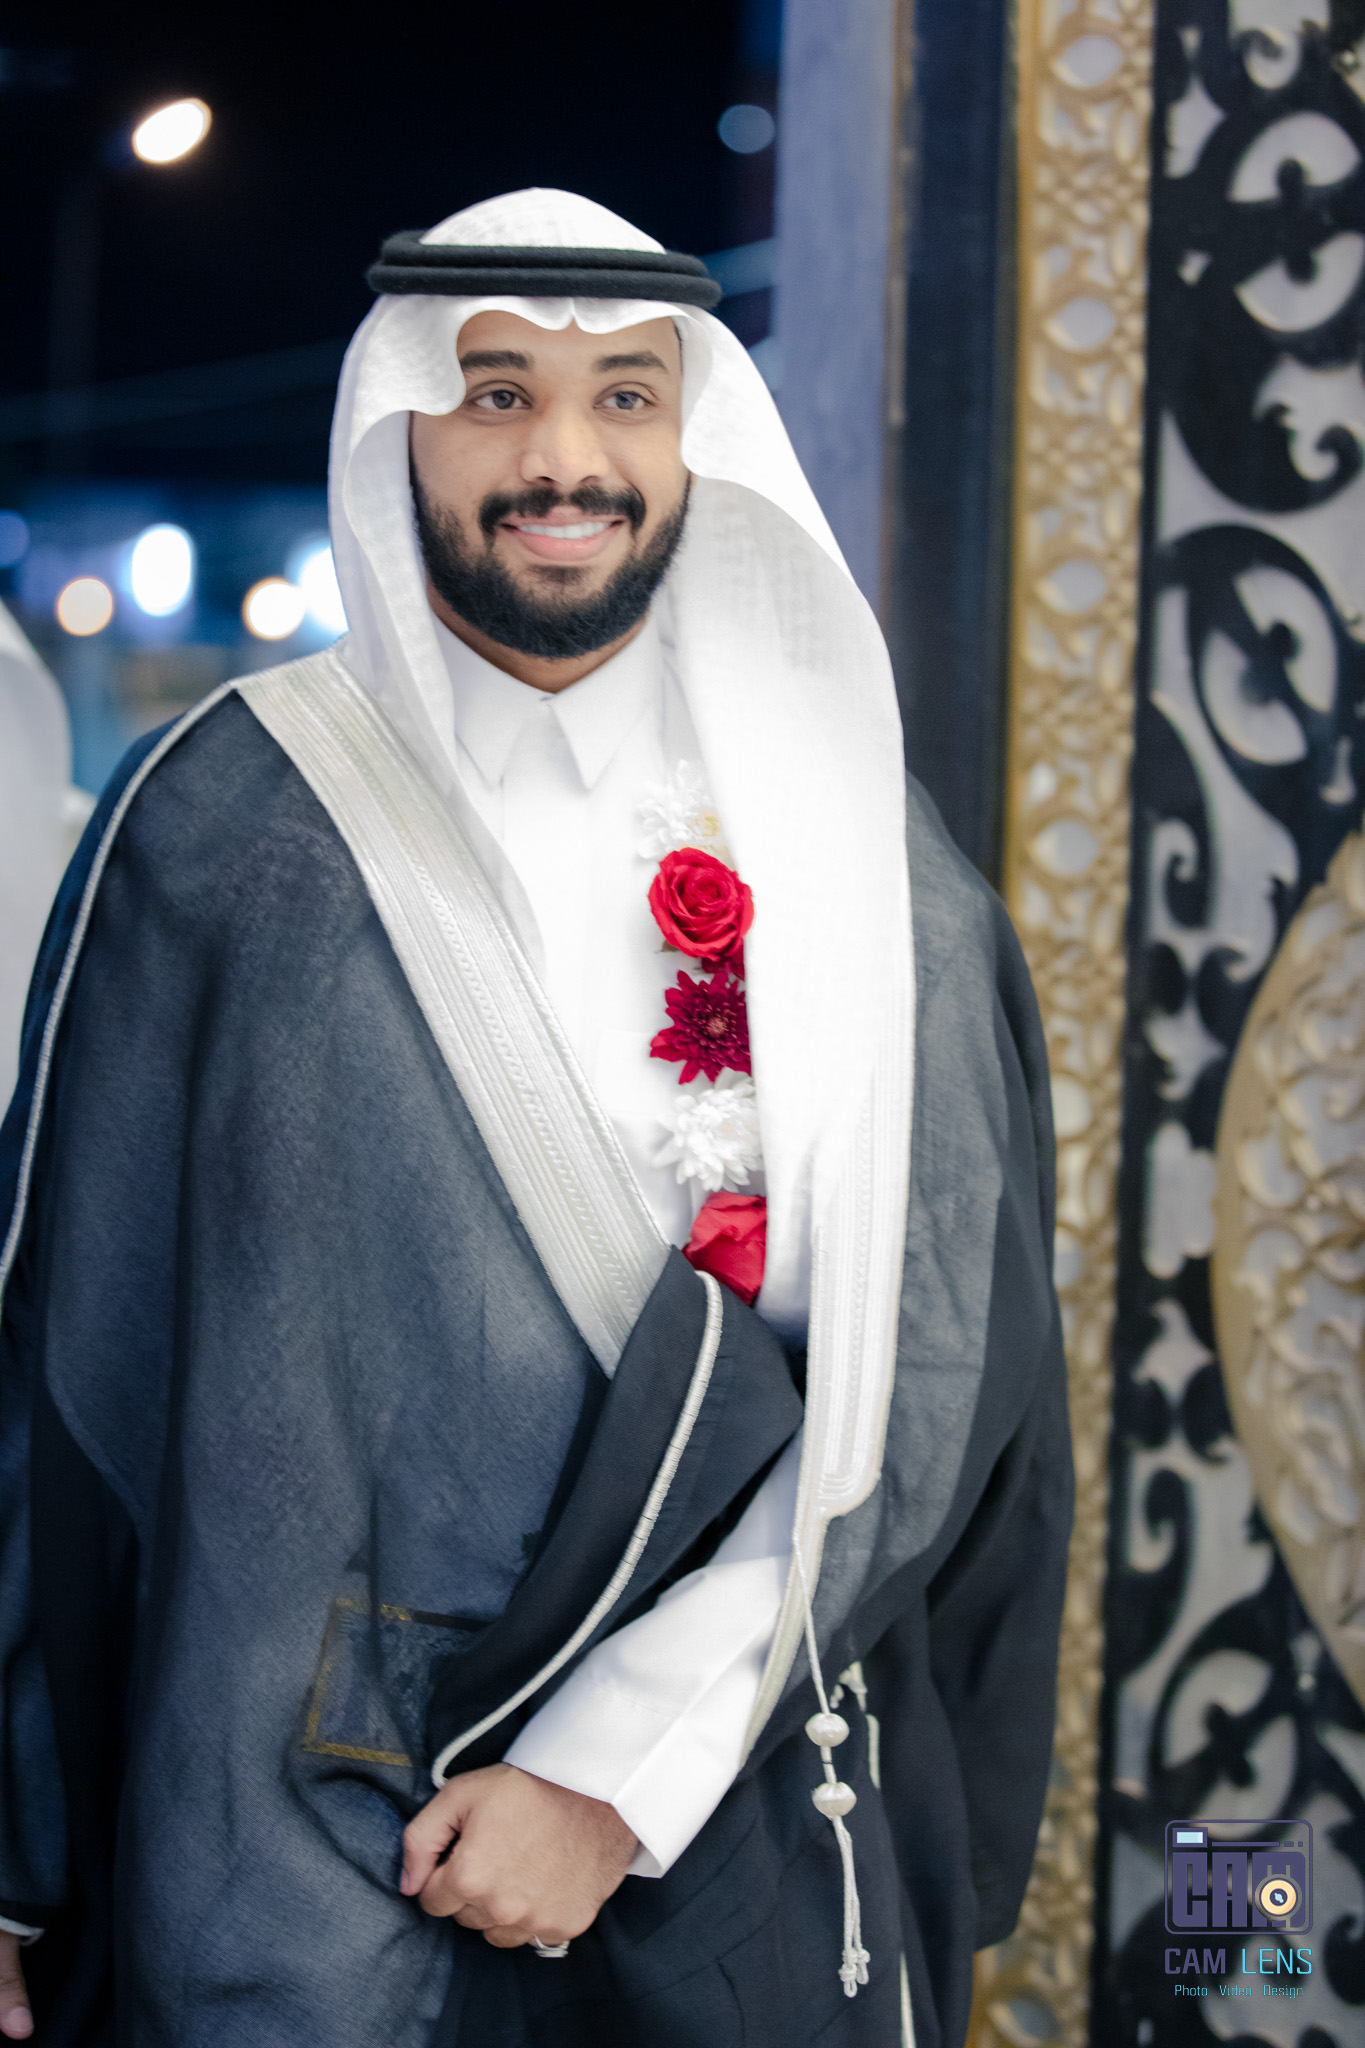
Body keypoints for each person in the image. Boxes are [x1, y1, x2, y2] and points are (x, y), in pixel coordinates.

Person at [0, 189, 1070, 2048]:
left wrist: (611, 1777)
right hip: (289, 1859)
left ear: (691, 436)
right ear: (398, 428)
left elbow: (931, 1378)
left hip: (719, 1814)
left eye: (624, 398)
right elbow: (60, 1382)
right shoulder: (227, 825)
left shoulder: (858, 858)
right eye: (495, 393)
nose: (562, 459)